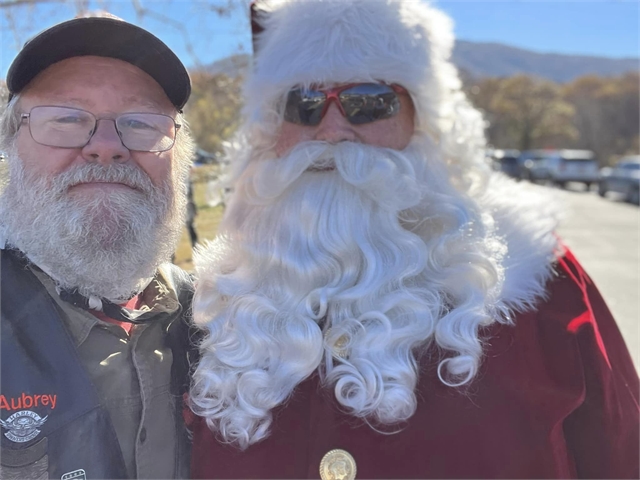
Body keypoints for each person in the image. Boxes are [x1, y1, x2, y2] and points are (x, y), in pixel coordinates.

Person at [188, 0, 640, 478]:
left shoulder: (544, 286)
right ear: (270, 133)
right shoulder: (216, 301)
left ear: (423, 124)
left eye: (369, 102)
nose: (332, 130)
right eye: (303, 104)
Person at [0, 15, 196, 479]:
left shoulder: (229, 324)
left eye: (141, 122)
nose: (106, 146)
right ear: (10, 144)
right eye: (66, 118)